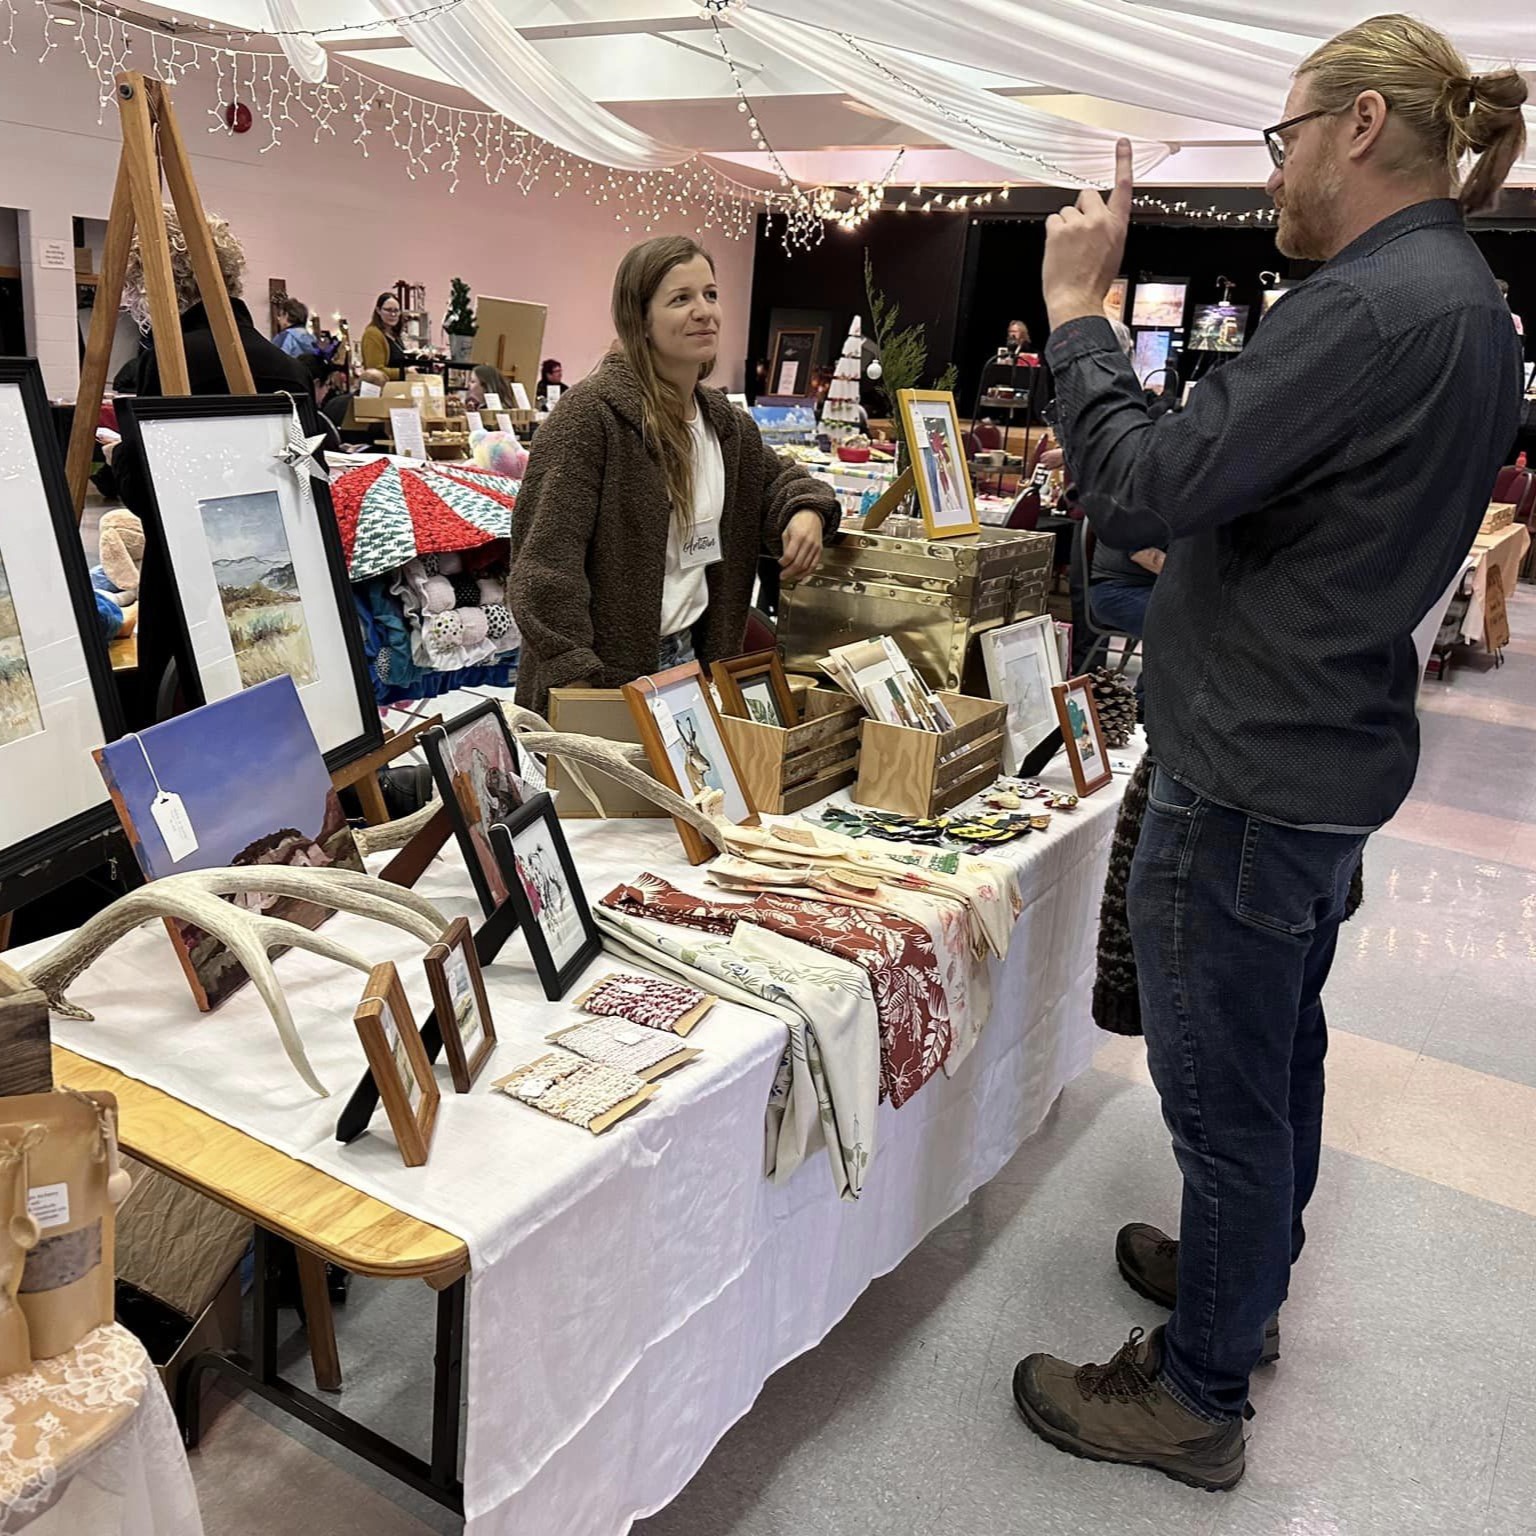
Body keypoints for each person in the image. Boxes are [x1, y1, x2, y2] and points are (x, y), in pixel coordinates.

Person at [1012, 15, 1526, 1492]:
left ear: (1359, 126)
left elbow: (1141, 481)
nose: (1279, 171)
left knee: (1219, 1087)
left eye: (1283, 138)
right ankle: (1243, 1287)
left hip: (1251, 768)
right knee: (1275, 1047)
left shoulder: (1368, 309)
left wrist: (1080, 319)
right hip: (1323, 755)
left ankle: (1197, 1393)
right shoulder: (1461, 304)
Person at [509, 235, 837, 717]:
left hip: (693, 668)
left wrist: (806, 510)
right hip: (602, 677)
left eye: (710, 294)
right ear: (639, 320)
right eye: (681, 299)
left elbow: (782, 482)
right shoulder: (590, 417)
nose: (704, 311)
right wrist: (578, 682)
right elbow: (543, 567)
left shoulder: (725, 426)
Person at [361, 292, 408, 379]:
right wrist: (406, 372)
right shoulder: (372, 334)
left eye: (396, 310)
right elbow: (375, 372)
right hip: (382, 389)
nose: (393, 314)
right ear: (378, 310)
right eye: (388, 310)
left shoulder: (395, 335)